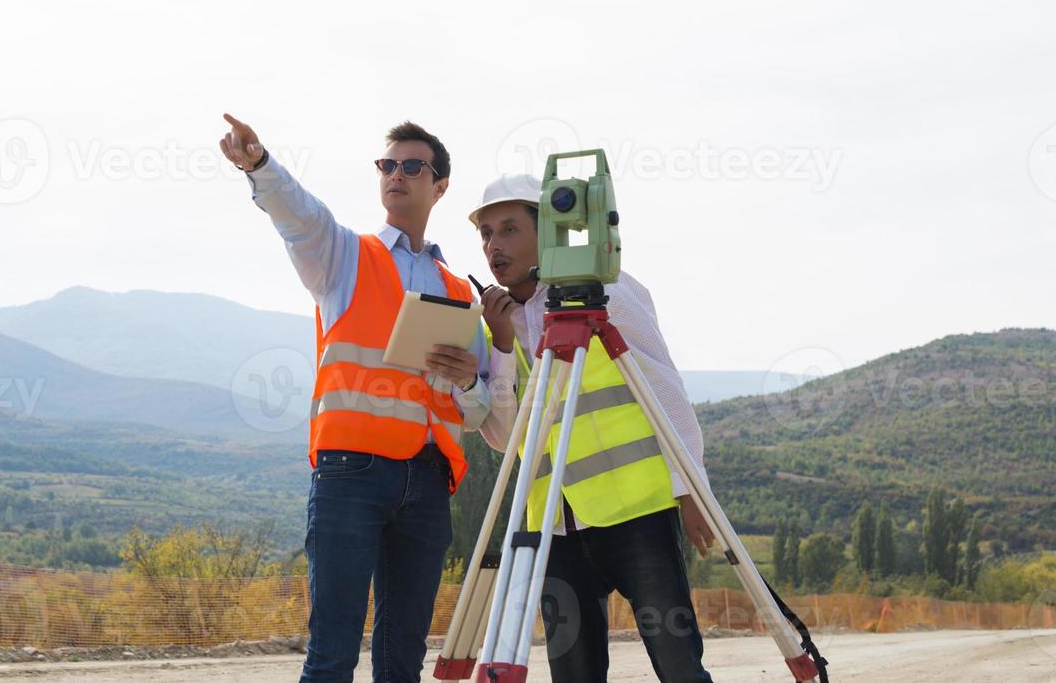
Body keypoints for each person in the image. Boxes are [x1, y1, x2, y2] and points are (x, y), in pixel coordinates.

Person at [220, 114, 491, 683]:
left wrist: (468, 380)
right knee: (332, 654)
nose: (396, 174)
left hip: (427, 482)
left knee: (402, 662)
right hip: (352, 474)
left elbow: (477, 410)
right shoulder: (344, 256)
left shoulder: (460, 290)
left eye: (411, 166)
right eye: (387, 165)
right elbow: (302, 217)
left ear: (439, 186)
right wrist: (261, 167)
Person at [472, 173, 715, 683]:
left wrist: (692, 489)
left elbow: (665, 388)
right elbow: (502, 439)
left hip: (636, 516)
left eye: (510, 229)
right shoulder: (499, 326)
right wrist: (496, 346)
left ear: (550, 231)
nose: (494, 246)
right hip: (554, 530)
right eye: (487, 234)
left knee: (678, 667)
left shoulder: (608, 293)